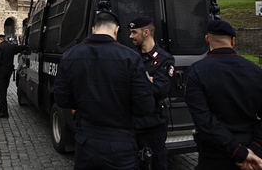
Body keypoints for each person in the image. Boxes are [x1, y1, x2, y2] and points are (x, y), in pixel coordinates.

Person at [54, 10, 155, 169]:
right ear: (116, 30)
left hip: (86, 140)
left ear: (93, 29)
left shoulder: (70, 55)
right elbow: (145, 106)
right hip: (120, 141)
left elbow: (61, 98)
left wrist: (83, 104)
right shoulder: (130, 58)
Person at [185, 20, 262, 170]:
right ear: (233, 41)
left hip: (214, 155)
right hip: (251, 156)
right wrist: (255, 149)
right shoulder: (256, 71)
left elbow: (204, 121)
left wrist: (238, 152)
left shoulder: (196, 72)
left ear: (207, 39)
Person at [129, 16, 175, 170]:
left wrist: (138, 81)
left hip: (153, 125)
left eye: (134, 32)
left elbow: (159, 90)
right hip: (131, 122)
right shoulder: (129, 57)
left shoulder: (165, 59)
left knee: (156, 163)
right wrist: (148, 79)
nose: (130, 36)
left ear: (146, 32)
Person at [0, 34, 26, 118]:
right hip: (9, 70)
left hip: (1, 71)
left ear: (0, 39)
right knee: (4, 89)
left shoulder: (0, 47)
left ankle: (4, 111)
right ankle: (0, 109)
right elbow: (20, 48)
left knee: (1, 92)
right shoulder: (11, 46)